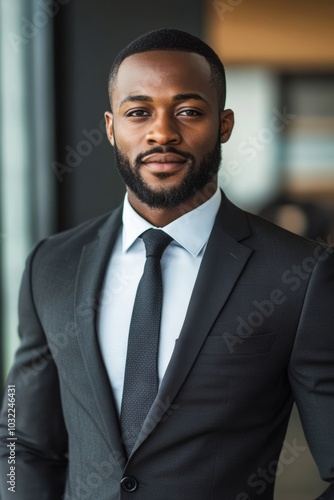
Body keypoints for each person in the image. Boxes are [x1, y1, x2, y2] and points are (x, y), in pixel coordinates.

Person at [0, 28, 333, 500]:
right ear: (111, 127)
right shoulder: (51, 265)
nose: (162, 132)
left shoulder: (301, 274)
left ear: (224, 124)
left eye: (189, 111)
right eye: (139, 112)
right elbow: (21, 441)